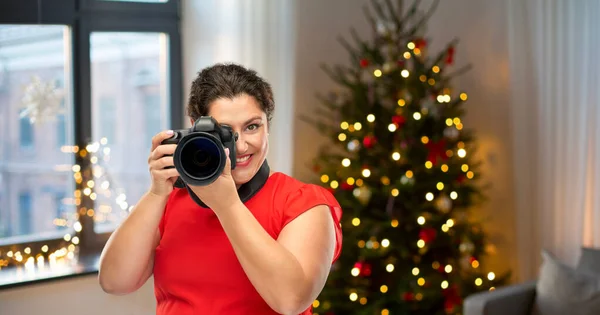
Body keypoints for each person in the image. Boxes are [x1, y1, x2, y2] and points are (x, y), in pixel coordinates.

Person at [98, 63, 343, 315]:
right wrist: (156, 193)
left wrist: (227, 205)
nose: (240, 146)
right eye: (226, 132)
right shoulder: (172, 199)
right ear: (197, 128)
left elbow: (291, 300)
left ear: (267, 126)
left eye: (252, 126)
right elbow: (114, 282)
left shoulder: (304, 204)